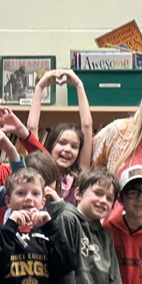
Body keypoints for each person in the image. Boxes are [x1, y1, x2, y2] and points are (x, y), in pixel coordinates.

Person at [27, 69, 94, 201]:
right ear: (51, 145)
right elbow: (32, 127)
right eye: (62, 143)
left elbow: (87, 126)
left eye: (74, 146)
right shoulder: (41, 167)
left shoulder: (80, 173)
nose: (67, 149)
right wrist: (39, 88)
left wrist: (79, 85)